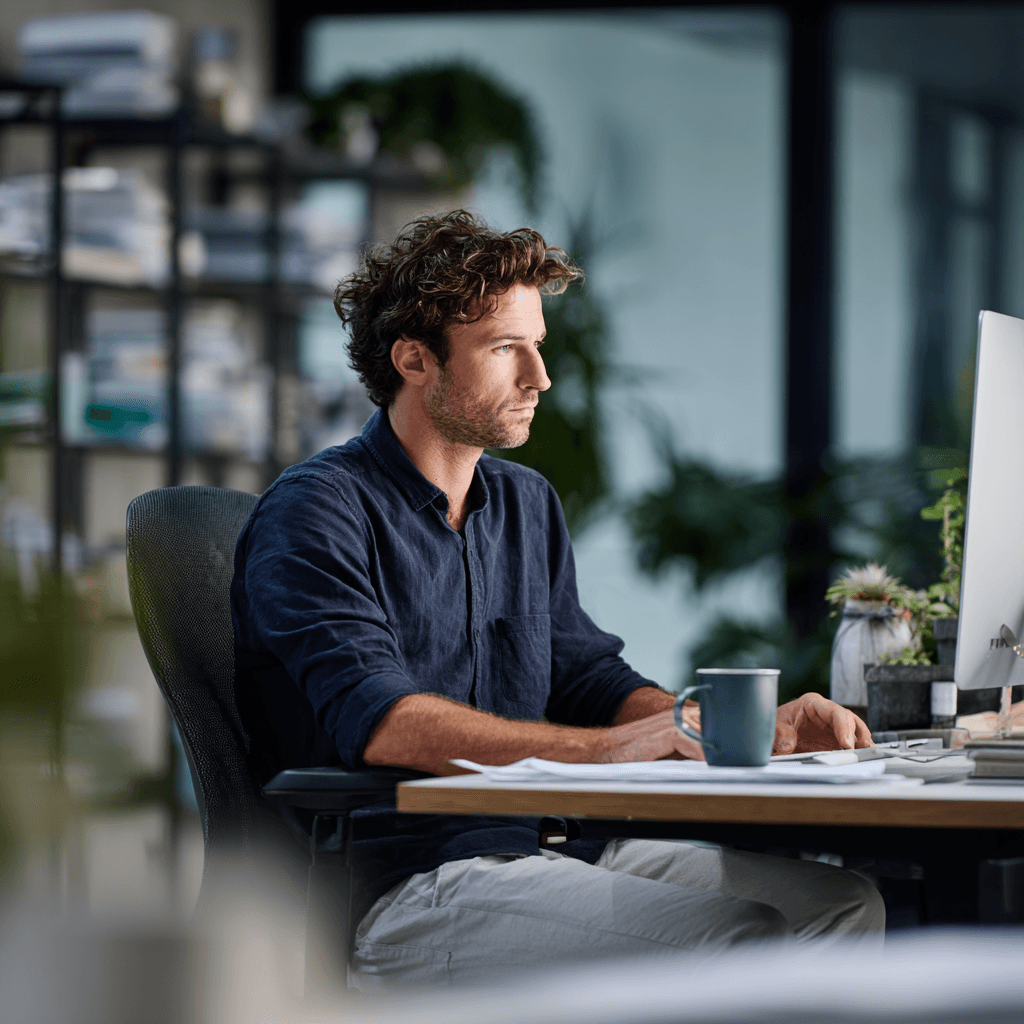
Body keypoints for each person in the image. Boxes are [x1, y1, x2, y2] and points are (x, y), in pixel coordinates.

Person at [230, 210, 883, 991]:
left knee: (841, 906)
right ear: (414, 360)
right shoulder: (317, 510)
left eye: (537, 346)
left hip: (548, 845)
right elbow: (382, 722)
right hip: (402, 885)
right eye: (507, 349)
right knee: (741, 939)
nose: (540, 377)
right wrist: (610, 752)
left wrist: (717, 730)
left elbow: (587, 679)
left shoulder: (522, 503)